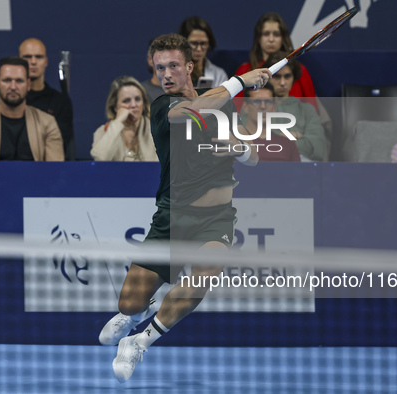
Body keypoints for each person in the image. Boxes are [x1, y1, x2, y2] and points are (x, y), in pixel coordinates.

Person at [98, 33, 270, 383]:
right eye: (160, 68)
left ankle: (140, 341)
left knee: (203, 275)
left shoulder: (223, 105)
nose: (167, 74)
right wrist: (240, 81)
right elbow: (193, 111)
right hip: (172, 218)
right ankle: (132, 316)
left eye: (174, 65)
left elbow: (255, 159)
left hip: (216, 218)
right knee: (129, 303)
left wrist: (239, 149)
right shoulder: (162, 107)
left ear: (190, 66)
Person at [0, 38, 75, 160]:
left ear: (46, 61)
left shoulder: (59, 102)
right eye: (27, 57)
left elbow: (57, 145)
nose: (33, 62)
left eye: (38, 57)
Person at [234, 13, 316, 99]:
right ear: (258, 38)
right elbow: (236, 108)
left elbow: (311, 107)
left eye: (276, 34)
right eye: (266, 34)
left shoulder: (300, 70)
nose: (271, 39)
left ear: (283, 38)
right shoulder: (245, 70)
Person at [266, 52, 326, 162]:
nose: (283, 83)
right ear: (268, 78)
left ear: (294, 78)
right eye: (277, 76)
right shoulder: (255, 107)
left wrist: (276, 141)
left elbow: (318, 148)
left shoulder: (307, 110)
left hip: (302, 165)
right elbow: (255, 146)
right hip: (265, 165)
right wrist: (292, 140)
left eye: (287, 76)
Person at [90, 76, 158, 161]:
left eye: (137, 99)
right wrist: (118, 121)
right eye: (126, 101)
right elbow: (100, 157)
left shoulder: (157, 130)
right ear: (115, 106)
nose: (133, 105)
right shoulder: (103, 131)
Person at [242, 84, 300, 162]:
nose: (263, 106)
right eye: (257, 101)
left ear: (274, 108)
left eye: (268, 102)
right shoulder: (233, 142)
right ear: (245, 107)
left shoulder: (288, 144)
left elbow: (298, 173)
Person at [178, 16, 228, 88]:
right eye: (194, 43)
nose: (198, 49)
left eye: (203, 43)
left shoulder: (219, 74)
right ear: (183, 43)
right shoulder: (173, 72)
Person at [141, 39, 167, 103]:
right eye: (161, 57)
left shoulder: (183, 92)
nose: (166, 62)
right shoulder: (140, 91)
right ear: (150, 60)